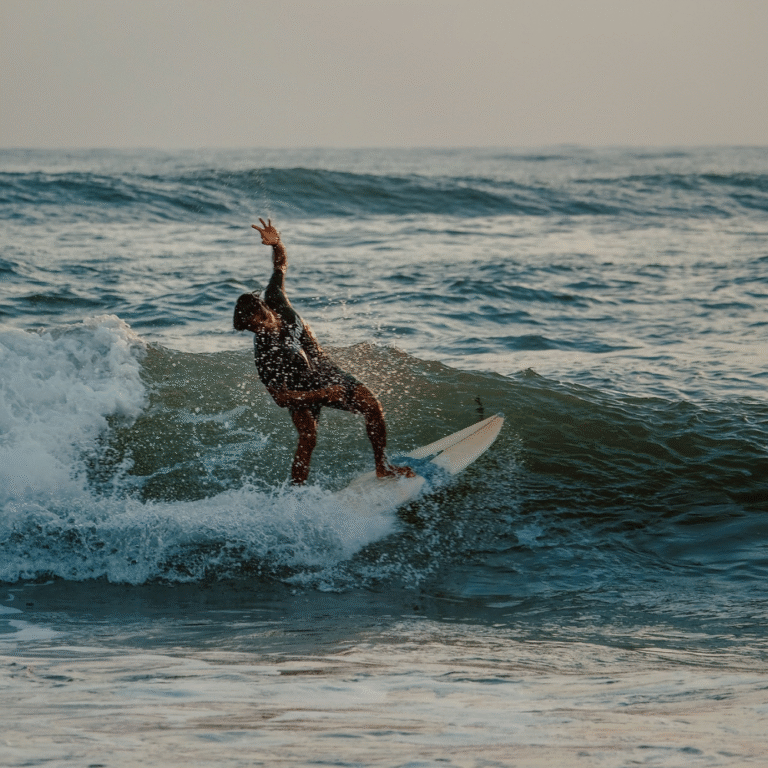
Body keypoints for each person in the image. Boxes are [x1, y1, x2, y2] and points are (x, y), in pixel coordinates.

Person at [234, 218, 413, 485]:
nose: (258, 332)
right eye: (251, 330)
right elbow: (281, 398)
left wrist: (277, 242)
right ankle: (296, 495)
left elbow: (280, 264)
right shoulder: (265, 354)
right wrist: (321, 394)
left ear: (264, 310)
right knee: (307, 439)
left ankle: (383, 467)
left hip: (323, 369)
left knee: (373, 407)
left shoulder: (275, 297)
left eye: (257, 324)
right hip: (300, 388)